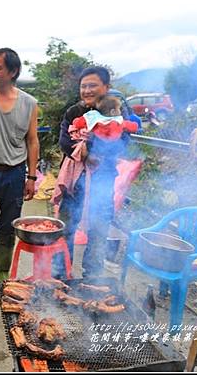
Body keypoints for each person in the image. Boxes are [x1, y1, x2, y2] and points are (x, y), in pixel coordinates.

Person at [53, 67, 133, 279]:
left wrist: (97, 143)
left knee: (98, 231)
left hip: (102, 181)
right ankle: (61, 275)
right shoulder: (73, 112)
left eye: (92, 85)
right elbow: (64, 141)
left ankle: (92, 280)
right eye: (83, 86)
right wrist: (87, 155)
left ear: (106, 87)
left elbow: (123, 143)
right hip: (74, 182)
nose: (87, 90)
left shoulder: (115, 112)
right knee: (65, 229)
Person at [0, 48, 39, 282]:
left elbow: (32, 141)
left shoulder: (29, 103)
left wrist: (31, 177)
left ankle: (3, 271)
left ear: (13, 71)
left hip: (15, 174)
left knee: (8, 225)